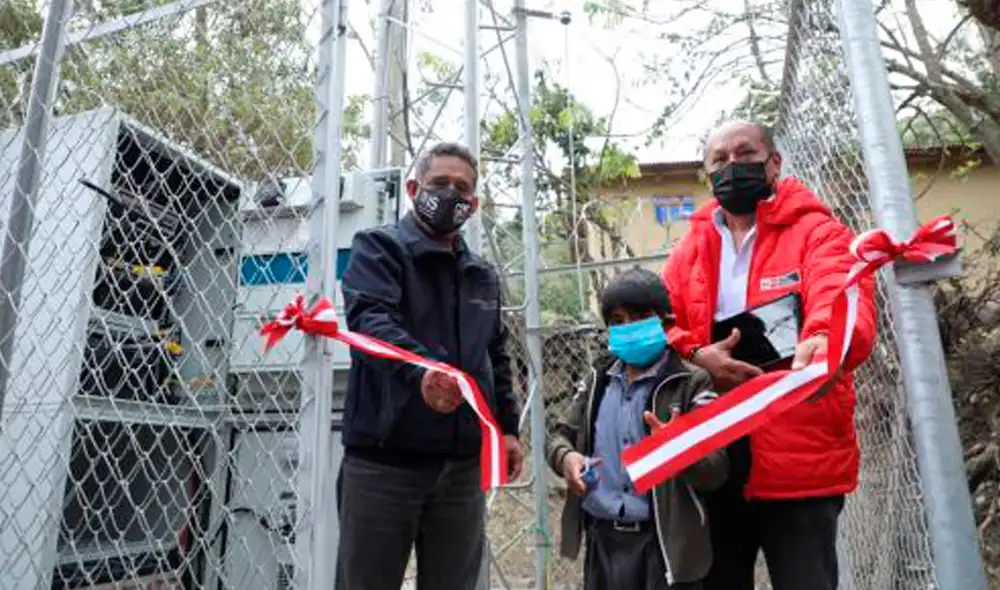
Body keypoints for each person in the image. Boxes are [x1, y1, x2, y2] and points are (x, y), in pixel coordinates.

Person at [661, 120, 877, 590]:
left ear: (774, 162)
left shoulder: (818, 233)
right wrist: (698, 356)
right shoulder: (690, 250)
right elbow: (662, 322)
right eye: (719, 160)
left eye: (745, 154)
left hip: (800, 456)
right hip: (716, 456)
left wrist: (823, 339)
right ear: (707, 173)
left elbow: (839, 298)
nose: (732, 166)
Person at [336, 142, 525, 590]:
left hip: (461, 469)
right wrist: (424, 373)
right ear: (413, 188)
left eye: (463, 188)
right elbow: (370, 321)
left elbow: (495, 355)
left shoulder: (482, 275)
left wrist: (507, 427)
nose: (451, 194)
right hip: (385, 463)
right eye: (440, 183)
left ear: (474, 206)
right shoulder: (379, 249)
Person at [546, 267, 729, 590]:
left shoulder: (692, 383)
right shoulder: (597, 381)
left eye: (641, 316)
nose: (628, 327)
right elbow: (559, 437)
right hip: (602, 541)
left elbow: (717, 471)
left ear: (666, 322)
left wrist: (678, 449)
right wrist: (567, 459)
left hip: (665, 547)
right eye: (618, 320)